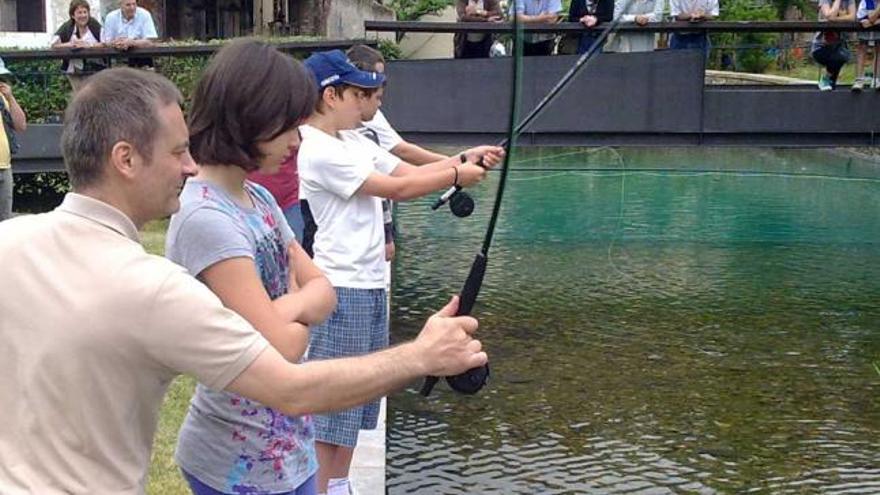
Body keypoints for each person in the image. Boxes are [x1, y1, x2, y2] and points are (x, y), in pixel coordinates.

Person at [0, 66, 487, 494]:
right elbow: (292, 388)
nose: (191, 166)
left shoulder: (10, 242)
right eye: (177, 152)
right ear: (125, 160)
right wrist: (422, 355)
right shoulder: (153, 288)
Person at [297, 50, 504, 495]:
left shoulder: (354, 140)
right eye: (360, 94)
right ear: (330, 96)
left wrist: (465, 158)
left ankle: (339, 485)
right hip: (343, 287)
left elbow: (410, 168)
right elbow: (399, 187)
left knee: (358, 401)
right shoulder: (319, 149)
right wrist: (457, 174)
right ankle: (317, 488)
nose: (369, 102)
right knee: (332, 407)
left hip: (370, 283)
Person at [166, 39, 336, 495]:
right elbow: (283, 347)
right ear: (250, 117)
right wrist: (297, 314)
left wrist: (278, 310)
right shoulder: (206, 217)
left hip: (289, 446)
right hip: (237, 463)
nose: (297, 143)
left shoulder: (257, 198)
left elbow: (325, 290)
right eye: (288, 128)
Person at [346, 44, 452, 261]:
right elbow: (402, 158)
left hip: (372, 234)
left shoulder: (365, 136)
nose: (380, 86)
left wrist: (460, 163)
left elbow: (403, 173)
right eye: (376, 77)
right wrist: (456, 168)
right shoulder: (330, 144)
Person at [51, 0, 104, 92]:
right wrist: (71, 44)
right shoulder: (68, 27)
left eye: (85, 12)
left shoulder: (94, 24)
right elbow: (54, 45)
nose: (83, 15)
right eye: (79, 13)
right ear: (73, 15)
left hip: (95, 68)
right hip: (74, 69)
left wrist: (89, 45)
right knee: (79, 94)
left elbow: (105, 43)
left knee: (94, 94)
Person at [0, 58, 26, 222]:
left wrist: (10, 98)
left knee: (5, 222)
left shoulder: (2, 98)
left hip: (4, 167)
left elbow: (21, 125)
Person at [811, 0, 856, 91]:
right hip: (821, 46)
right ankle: (825, 79)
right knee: (841, 57)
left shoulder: (849, 1)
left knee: (830, 87)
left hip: (839, 46)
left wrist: (835, 18)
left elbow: (852, 17)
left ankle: (826, 81)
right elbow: (830, 16)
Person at [102, 0, 158, 68]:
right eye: (128, 5)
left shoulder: (145, 15)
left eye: (134, 4)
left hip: (142, 59)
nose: (132, 7)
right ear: (120, 5)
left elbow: (152, 41)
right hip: (118, 60)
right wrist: (117, 43)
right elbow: (107, 42)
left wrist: (132, 42)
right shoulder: (111, 17)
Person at [852, 0, 880, 90]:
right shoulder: (866, 1)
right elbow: (868, 19)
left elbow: (871, 21)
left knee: (879, 49)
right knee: (862, 47)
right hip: (864, 27)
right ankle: (859, 80)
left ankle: (877, 79)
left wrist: (874, 22)